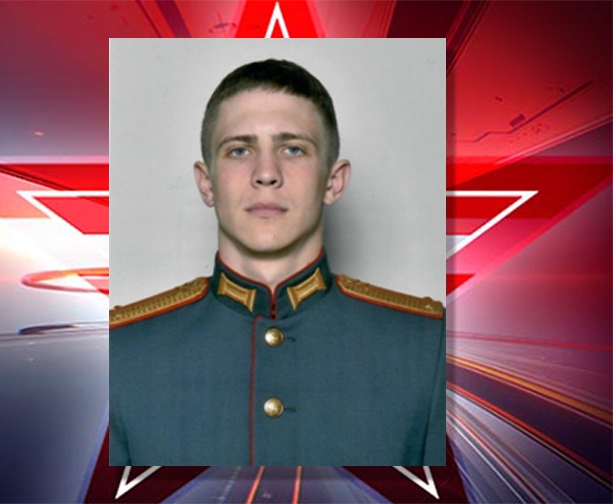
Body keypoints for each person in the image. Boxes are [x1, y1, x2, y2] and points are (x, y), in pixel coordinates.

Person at [110, 59, 445, 466]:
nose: (266, 173)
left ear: (333, 181)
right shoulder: (120, 352)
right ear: (206, 183)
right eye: (239, 150)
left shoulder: (427, 347)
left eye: (293, 149)